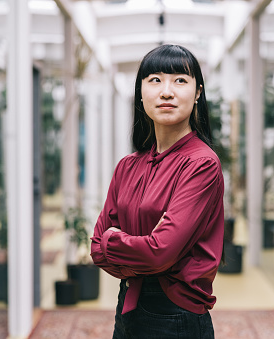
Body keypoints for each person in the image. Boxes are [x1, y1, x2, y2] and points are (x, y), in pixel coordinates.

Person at [90, 44, 224, 339]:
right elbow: (96, 249)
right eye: (155, 80)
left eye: (180, 80)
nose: (166, 92)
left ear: (198, 92)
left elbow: (159, 252)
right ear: (140, 92)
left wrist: (114, 238)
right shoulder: (128, 166)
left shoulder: (201, 164)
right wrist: (131, 246)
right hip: (128, 305)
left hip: (175, 313)